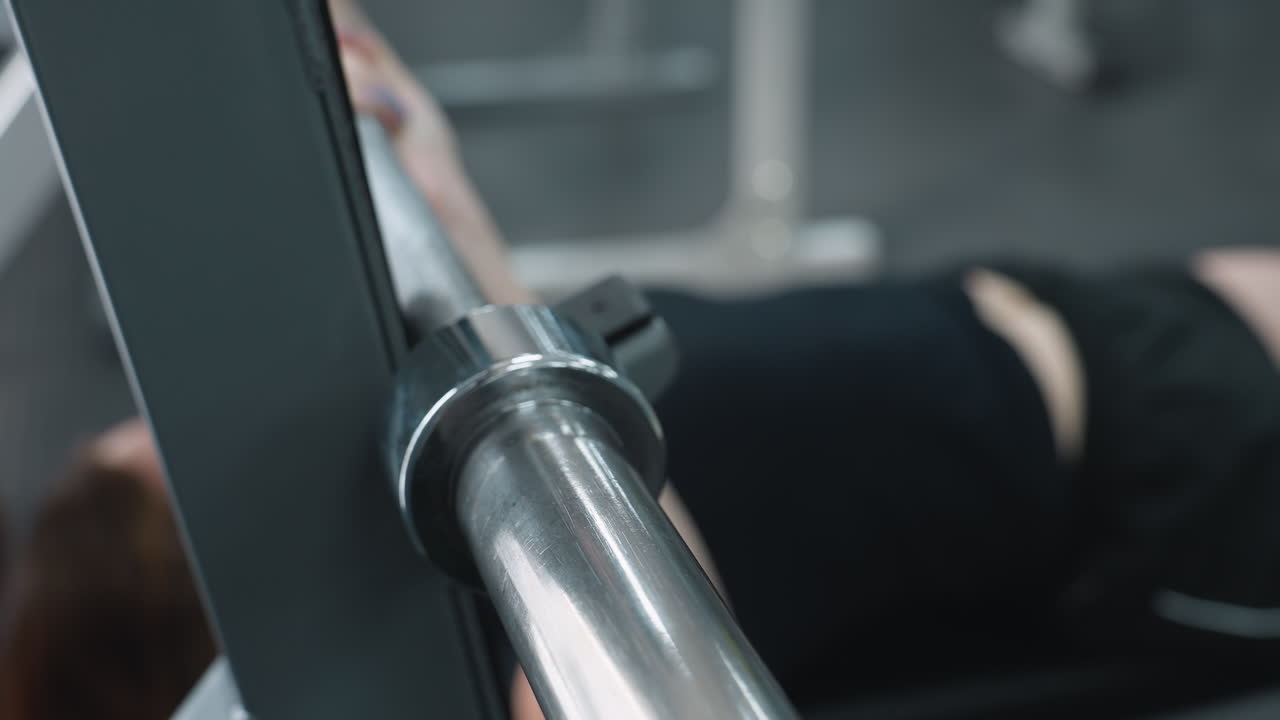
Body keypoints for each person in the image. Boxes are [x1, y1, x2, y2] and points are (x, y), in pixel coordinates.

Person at [6, 4, 1280, 720]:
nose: (167, 432)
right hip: (1161, 470)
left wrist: (428, 195)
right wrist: (473, 254)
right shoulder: (513, 611)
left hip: (1037, 318)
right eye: (158, 477)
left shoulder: (403, 464)